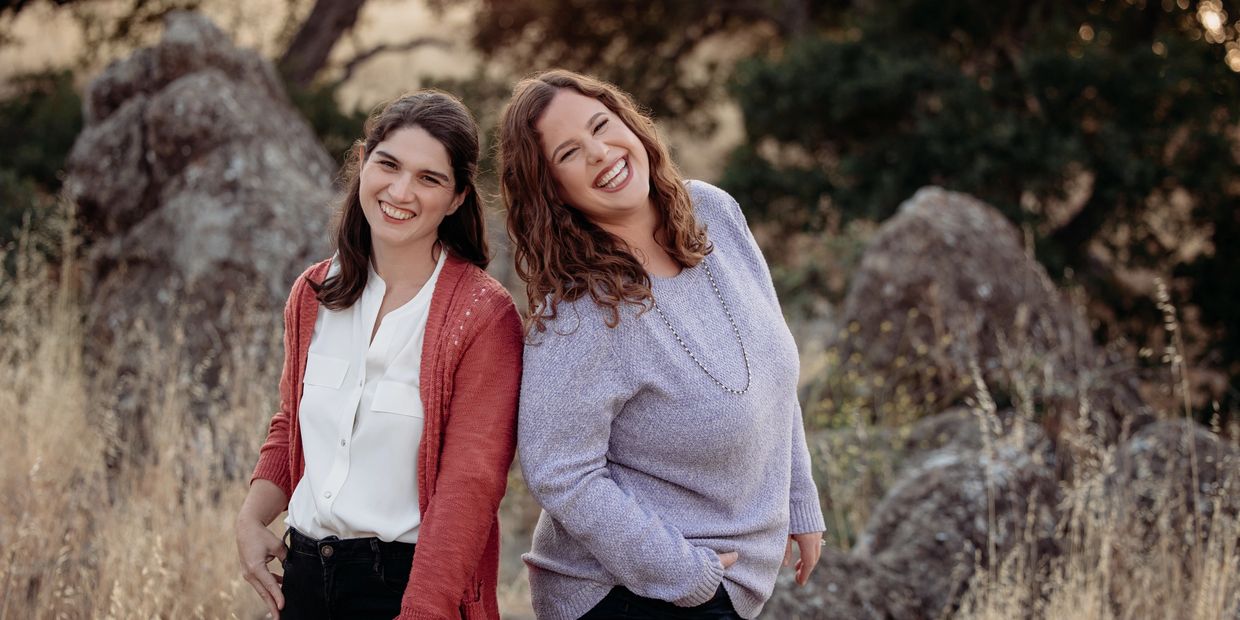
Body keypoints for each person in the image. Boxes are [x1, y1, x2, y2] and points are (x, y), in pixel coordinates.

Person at [498, 69, 825, 620]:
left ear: (632, 124)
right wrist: (680, 572)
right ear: (551, 190)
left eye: (603, 126)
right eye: (570, 153)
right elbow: (560, 472)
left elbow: (769, 366)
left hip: (715, 580)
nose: (602, 153)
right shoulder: (580, 312)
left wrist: (799, 499)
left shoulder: (714, 213)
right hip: (629, 595)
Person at [235, 90, 522, 620]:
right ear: (363, 161)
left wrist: (424, 610)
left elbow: (471, 486)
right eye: (387, 164)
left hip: (407, 589)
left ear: (457, 198)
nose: (400, 190)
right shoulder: (313, 293)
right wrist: (253, 520)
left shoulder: (482, 315)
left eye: (428, 178)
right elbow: (290, 425)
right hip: (303, 580)